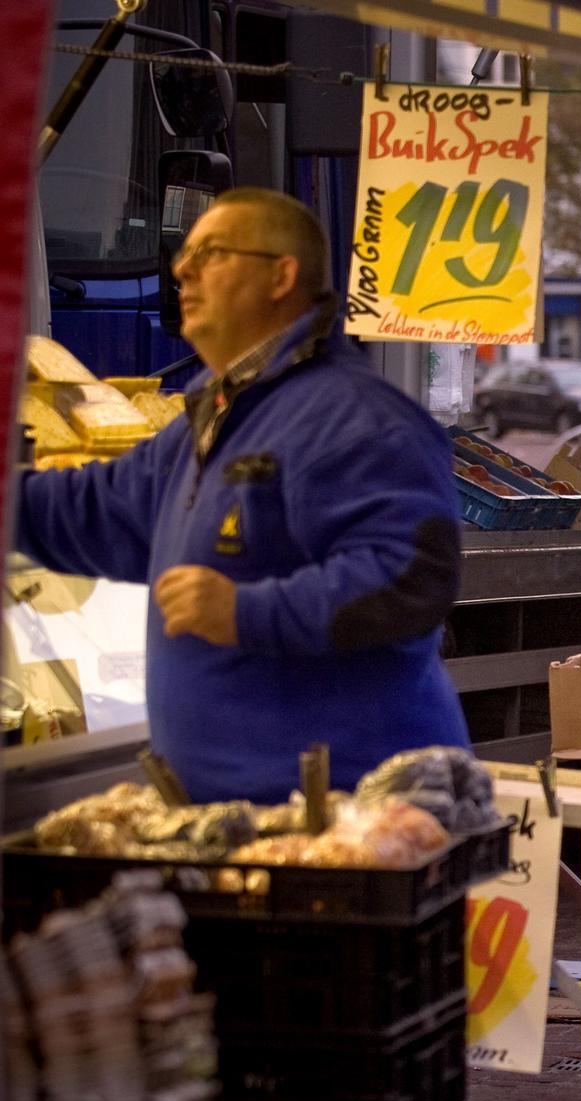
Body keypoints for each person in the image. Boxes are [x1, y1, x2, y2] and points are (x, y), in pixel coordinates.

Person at [13, 189, 469, 802]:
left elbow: (409, 578)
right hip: (238, 816)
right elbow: (95, 513)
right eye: (185, 254)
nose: (182, 268)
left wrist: (244, 612)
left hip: (349, 822)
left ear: (282, 275)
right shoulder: (211, 421)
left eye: (212, 252)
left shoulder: (355, 417)